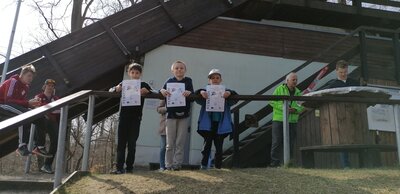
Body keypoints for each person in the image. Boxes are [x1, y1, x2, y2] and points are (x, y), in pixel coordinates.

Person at [0, 64, 51, 158]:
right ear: (22, 75)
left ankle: (39, 146)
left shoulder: (26, 87)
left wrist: (32, 106)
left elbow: (21, 103)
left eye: (32, 77)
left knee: (40, 117)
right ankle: (22, 146)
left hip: (12, 105)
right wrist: (28, 104)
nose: (30, 78)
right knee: (25, 116)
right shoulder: (13, 81)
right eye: (28, 76)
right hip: (2, 105)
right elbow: (8, 99)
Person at [111, 63, 152, 174]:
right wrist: (117, 88)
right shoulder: (124, 83)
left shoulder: (144, 84)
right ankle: (119, 168)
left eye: (137, 73)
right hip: (123, 117)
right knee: (121, 144)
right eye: (132, 72)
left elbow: (153, 91)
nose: (134, 75)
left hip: (136, 118)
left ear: (140, 74)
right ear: (129, 73)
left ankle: (129, 167)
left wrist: (147, 91)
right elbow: (112, 90)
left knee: (132, 143)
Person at [319, 60, 360, 169]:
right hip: (339, 115)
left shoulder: (355, 83)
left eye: (345, 72)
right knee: (343, 139)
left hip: (354, 114)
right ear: (336, 71)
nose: (343, 74)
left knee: (358, 137)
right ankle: (345, 165)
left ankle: (362, 163)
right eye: (341, 72)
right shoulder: (332, 85)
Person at [195, 69, 238, 170]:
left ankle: (218, 166)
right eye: (212, 78)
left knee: (219, 147)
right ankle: (204, 165)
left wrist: (229, 92)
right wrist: (201, 92)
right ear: (209, 80)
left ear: (221, 80)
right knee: (207, 146)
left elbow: (236, 97)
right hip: (208, 125)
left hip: (220, 124)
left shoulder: (226, 92)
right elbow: (195, 96)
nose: (215, 80)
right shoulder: (205, 92)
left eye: (217, 78)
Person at [160, 60, 194, 171]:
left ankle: (177, 164)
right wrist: (163, 91)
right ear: (172, 70)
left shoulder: (188, 81)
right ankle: (168, 165)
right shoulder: (169, 81)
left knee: (180, 142)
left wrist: (189, 93)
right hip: (170, 115)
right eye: (176, 68)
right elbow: (161, 90)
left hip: (184, 115)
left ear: (185, 70)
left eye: (181, 68)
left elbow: (192, 93)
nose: (179, 70)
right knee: (169, 143)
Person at [269, 72, 304, 167]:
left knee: (291, 142)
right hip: (279, 119)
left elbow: (302, 106)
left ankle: (288, 163)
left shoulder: (298, 92)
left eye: (296, 80)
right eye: (293, 80)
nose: (295, 81)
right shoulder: (279, 89)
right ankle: (274, 164)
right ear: (287, 80)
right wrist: (285, 108)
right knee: (277, 141)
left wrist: (295, 109)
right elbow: (272, 102)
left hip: (292, 120)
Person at [34, 79, 60, 174]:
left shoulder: (56, 98)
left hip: (52, 122)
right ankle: (37, 145)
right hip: (42, 120)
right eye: (48, 85)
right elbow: (37, 106)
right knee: (39, 122)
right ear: (44, 86)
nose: (50, 87)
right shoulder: (39, 96)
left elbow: (59, 110)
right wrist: (49, 109)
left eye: (52, 86)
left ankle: (47, 165)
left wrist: (46, 109)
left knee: (56, 140)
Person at [156, 100, 167, 171]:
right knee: (163, 147)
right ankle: (162, 166)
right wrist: (168, 108)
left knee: (173, 147)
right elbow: (158, 109)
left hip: (175, 126)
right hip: (164, 127)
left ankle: (170, 165)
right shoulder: (164, 96)